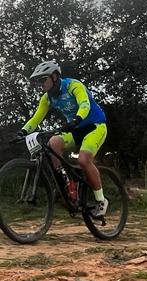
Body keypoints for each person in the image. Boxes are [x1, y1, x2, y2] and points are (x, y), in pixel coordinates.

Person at [20, 60, 109, 218]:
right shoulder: (47, 98)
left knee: (83, 160)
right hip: (75, 129)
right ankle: (68, 184)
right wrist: (23, 132)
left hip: (94, 126)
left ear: (54, 77)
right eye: (38, 82)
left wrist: (77, 119)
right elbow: (35, 119)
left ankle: (101, 200)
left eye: (43, 80)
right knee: (53, 143)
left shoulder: (73, 85)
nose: (40, 85)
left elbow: (84, 104)